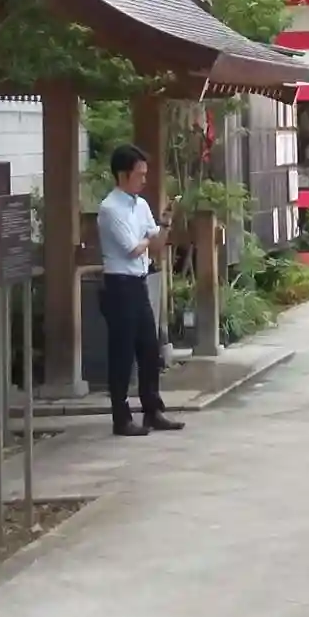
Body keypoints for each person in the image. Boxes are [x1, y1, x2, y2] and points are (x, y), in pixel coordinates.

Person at [96, 143, 186, 438]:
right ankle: (121, 417)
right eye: (139, 174)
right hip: (119, 283)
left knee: (149, 347)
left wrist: (165, 224)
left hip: (139, 281)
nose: (144, 180)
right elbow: (133, 249)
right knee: (122, 352)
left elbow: (156, 245)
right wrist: (152, 235)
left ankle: (152, 409)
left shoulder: (141, 205)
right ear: (123, 175)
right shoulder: (110, 208)